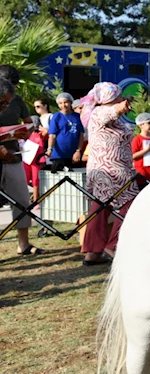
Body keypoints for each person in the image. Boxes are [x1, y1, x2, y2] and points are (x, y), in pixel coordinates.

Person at [79, 82, 139, 266]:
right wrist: (121, 107)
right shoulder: (99, 113)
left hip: (104, 170)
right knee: (131, 205)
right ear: (111, 98)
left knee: (99, 210)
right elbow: (109, 113)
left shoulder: (100, 115)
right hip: (112, 171)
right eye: (119, 95)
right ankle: (113, 246)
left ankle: (92, 252)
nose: (122, 98)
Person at [0, 67, 43, 255]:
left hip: (13, 156)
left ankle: (23, 244)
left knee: (21, 200)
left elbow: (29, 123)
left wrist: (25, 131)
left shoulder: (16, 100)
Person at [46, 92, 85, 171]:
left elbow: (81, 135)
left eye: (65, 102)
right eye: (60, 103)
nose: (63, 105)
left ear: (71, 103)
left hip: (74, 154)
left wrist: (78, 151)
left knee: (74, 178)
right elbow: (52, 135)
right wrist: (49, 149)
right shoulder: (57, 116)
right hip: (59, 155)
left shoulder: (77, 116)